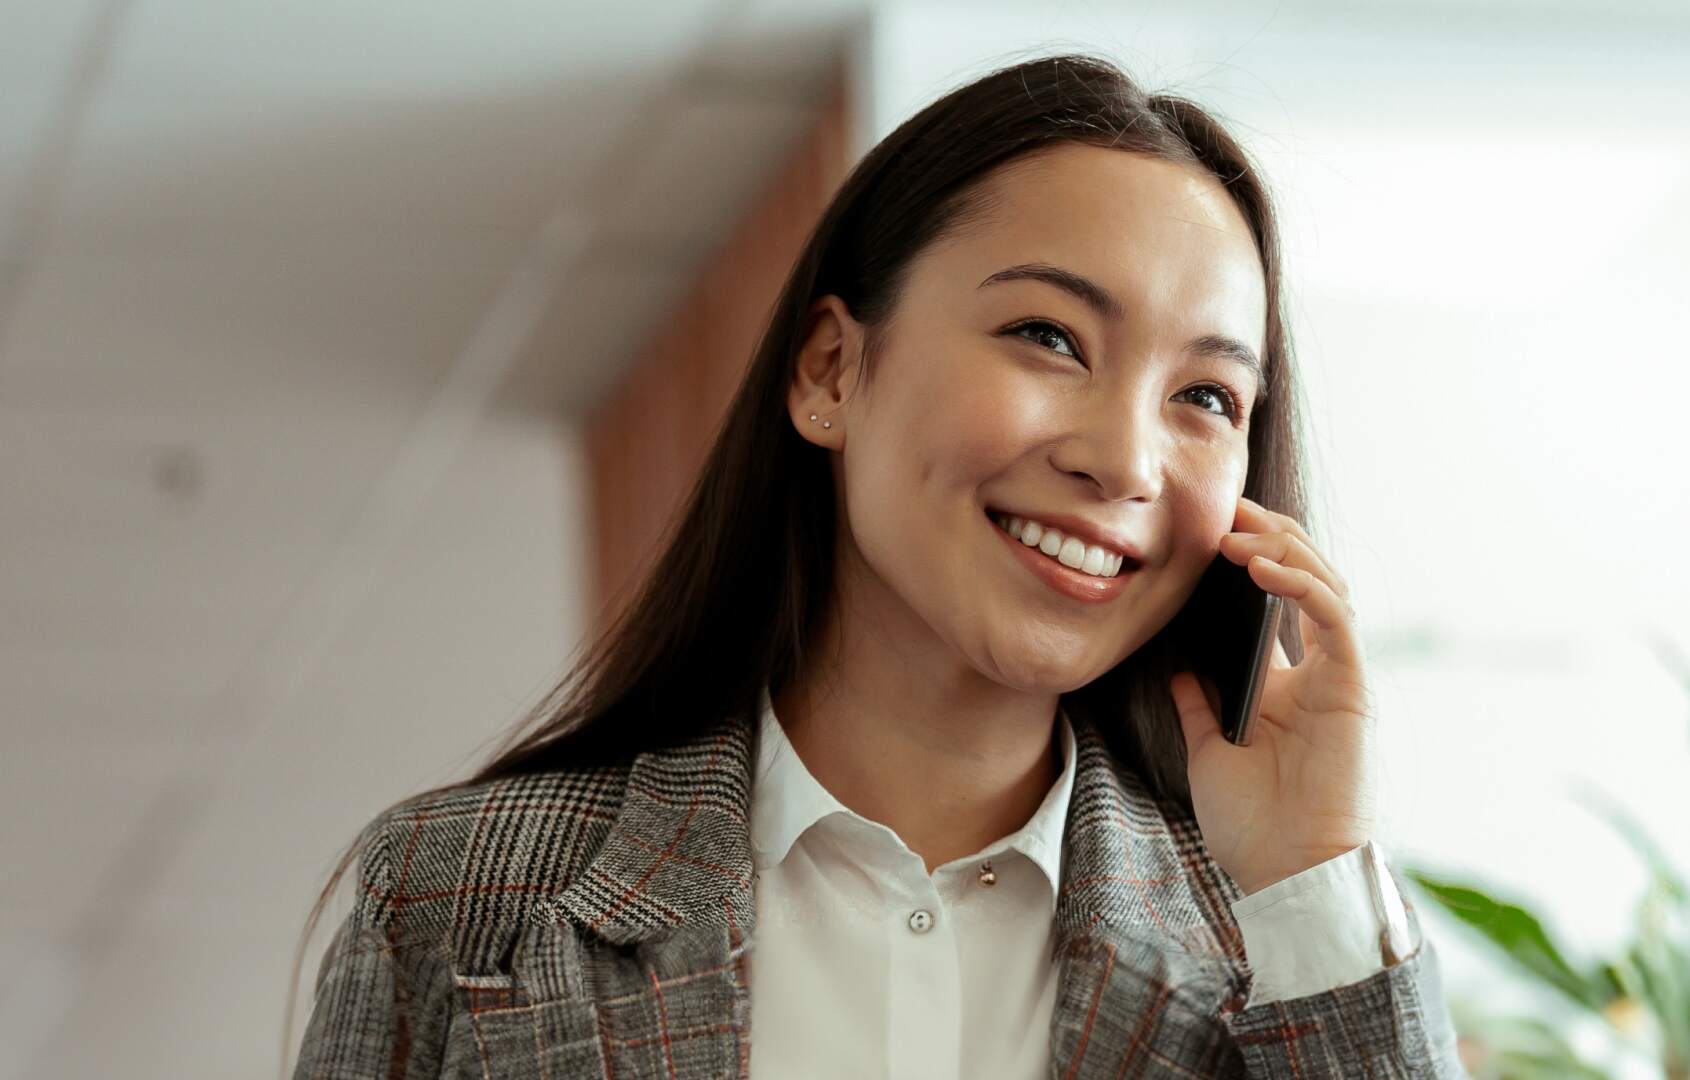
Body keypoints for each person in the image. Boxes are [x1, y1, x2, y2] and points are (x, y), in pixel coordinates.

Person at [290, 52, 1467, 1079]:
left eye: (1206, 397)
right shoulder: (460, 902)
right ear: (830, 372)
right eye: (1049, 337)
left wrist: (1310, 882)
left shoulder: (1290, 953)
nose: (1125, 462)